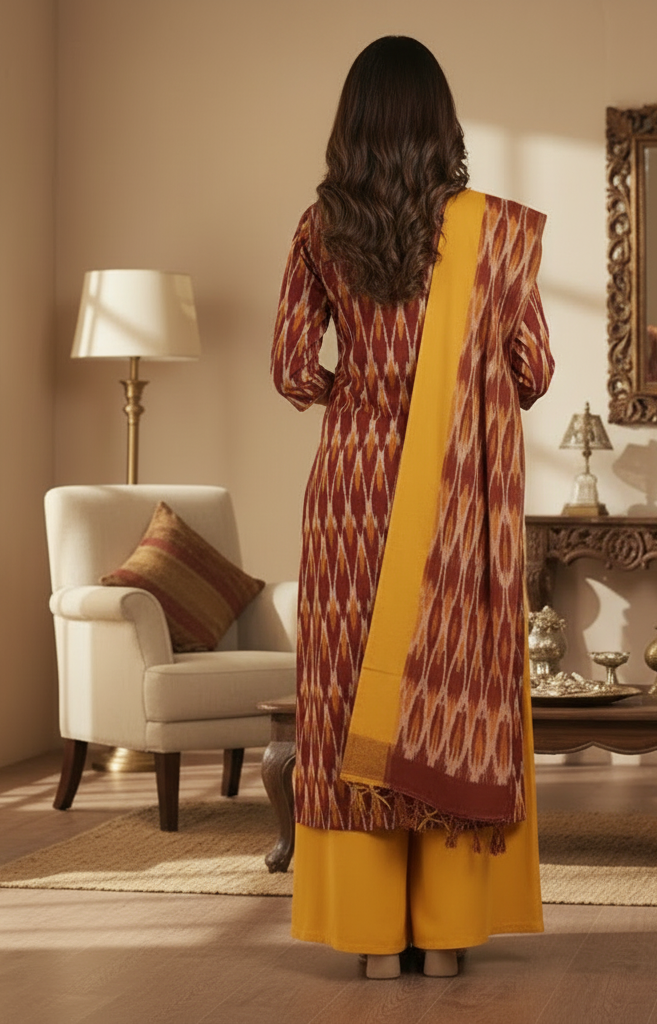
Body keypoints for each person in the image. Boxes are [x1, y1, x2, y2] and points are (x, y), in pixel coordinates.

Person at [271, 35, 555, 980]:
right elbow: (535, 371)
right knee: (450, 690)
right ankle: (443, 937)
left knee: (355, 695)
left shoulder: (321, 226)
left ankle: (367, 939)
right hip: (455, 499)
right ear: (442, 121)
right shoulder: (492, 229)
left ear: (351, 122)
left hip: (351, 493)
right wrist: (456, 374)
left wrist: (358, 386)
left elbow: (288, 371)